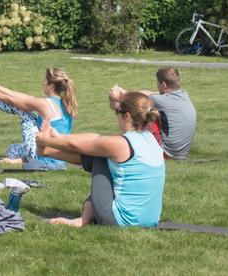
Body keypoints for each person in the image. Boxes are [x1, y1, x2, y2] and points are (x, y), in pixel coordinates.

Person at [37, 91, 165, 228]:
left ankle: (83, 220)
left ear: (127, 116)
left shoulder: (120, 143)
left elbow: (79, 144)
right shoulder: (151, 139)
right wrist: (57, 138)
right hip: (150, 219)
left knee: (100, 156)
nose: (116, 115)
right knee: (101, 150)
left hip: (120, 220)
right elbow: (96, 140)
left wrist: (47, 140)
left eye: (117, 111)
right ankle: (46, 151)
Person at [0, 67, 77, 169]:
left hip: (46, 156)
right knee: (12, 150)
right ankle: (22, 160)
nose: (43, 83)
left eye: (45, 80)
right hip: (60, 160)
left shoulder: (44, 104)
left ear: (51, 86)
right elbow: (28, 98)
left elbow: (15, 101)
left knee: (25, 111)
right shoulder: (65, 104)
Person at [109, 67, 196, 160]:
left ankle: (120, 142)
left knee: (143, 113)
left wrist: (116, 101)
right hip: (181, 153)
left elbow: (134, 101)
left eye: (158, 83)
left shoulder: (159, 100)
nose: (157, 86)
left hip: (166, 153)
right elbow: (149, 94)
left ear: (163, 84)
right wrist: (124, 91)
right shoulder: (184, 94)